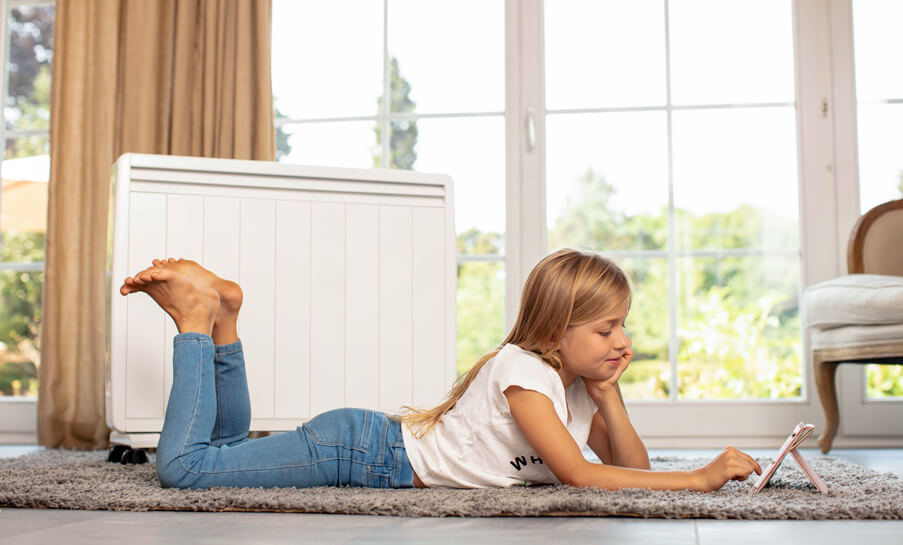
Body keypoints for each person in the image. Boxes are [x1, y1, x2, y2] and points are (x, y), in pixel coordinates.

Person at [120, 249, 761, 491]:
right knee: (185, 470)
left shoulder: (572, 386)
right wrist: (699, 480)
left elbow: (633, 475)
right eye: (606, 327)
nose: (623, 339)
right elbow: (581, 476)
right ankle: (196, 322)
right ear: (553, 334)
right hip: (361, 452)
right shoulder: (524, 372)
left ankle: (227, 317)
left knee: (225, 450)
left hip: (369, 447)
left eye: (623, 324)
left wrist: (610, 397)